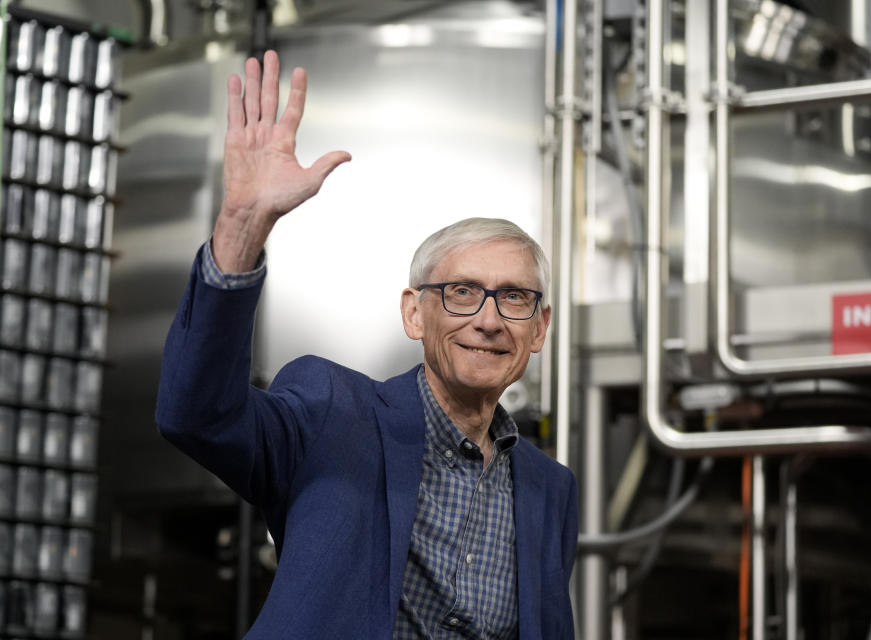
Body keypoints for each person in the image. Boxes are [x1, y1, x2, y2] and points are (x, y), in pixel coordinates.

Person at [156, 51, 577, 639]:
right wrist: (241, 228)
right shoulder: (332, 412)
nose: (488, 319)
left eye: (513, 298)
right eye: (461, 292)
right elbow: (195, 415)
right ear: (414, 313)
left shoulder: (550, 488)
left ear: (539, 327)